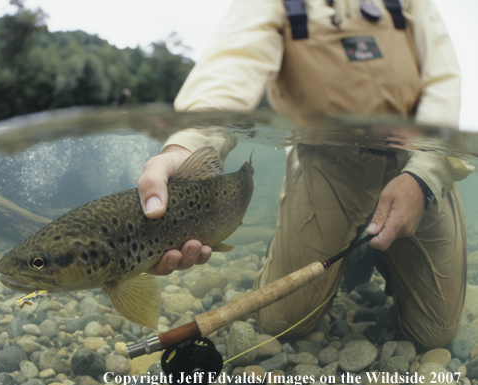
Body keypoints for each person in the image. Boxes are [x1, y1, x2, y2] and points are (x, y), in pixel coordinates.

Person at [138, 0, 473, 348]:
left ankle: (376, 250)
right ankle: (313, 236)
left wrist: (423, 179)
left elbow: (443, 84)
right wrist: (187, 146)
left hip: (416, 159)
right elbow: (230, 71)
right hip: (327, 162)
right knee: (279, 320)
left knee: (435, 335)